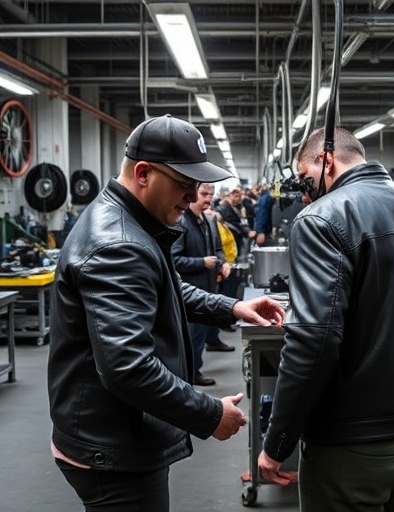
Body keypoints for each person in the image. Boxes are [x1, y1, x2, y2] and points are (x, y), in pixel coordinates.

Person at [47, 113, 285, 512]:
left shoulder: (130, 224)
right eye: (184, 184)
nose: (193, 198)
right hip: (114, 450)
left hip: (109, 432)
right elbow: (128, 367)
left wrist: (232, 306)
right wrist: (209, 414)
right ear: (143, 173)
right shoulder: (119, 244)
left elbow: (167, 288)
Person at [257, 126, 394, 512]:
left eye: (304, 179)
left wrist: (277, 442)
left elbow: (313, 343)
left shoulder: (321, 219)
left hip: (351, 449)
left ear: (326, 160)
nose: (303, 193)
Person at [171, 183, 234, 387]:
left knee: (200, 335)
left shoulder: (208, 220)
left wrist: (223, 262)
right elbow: (174, 260)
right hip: (191, 291)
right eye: (204, 194)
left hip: (207, 287)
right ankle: (190, 375)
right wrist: (201, 263)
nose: (208, 198)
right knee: (192, 337)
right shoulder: (181, 223)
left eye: (211, 195)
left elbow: (217, 248)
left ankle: (194, 370)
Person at [216, 187, 256, 261]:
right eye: (238, 196)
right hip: (233, 239)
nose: (240, 199)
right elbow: (234, 223)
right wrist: (247, 231)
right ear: (233, 196)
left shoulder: (232, 207)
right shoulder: (225, 208)